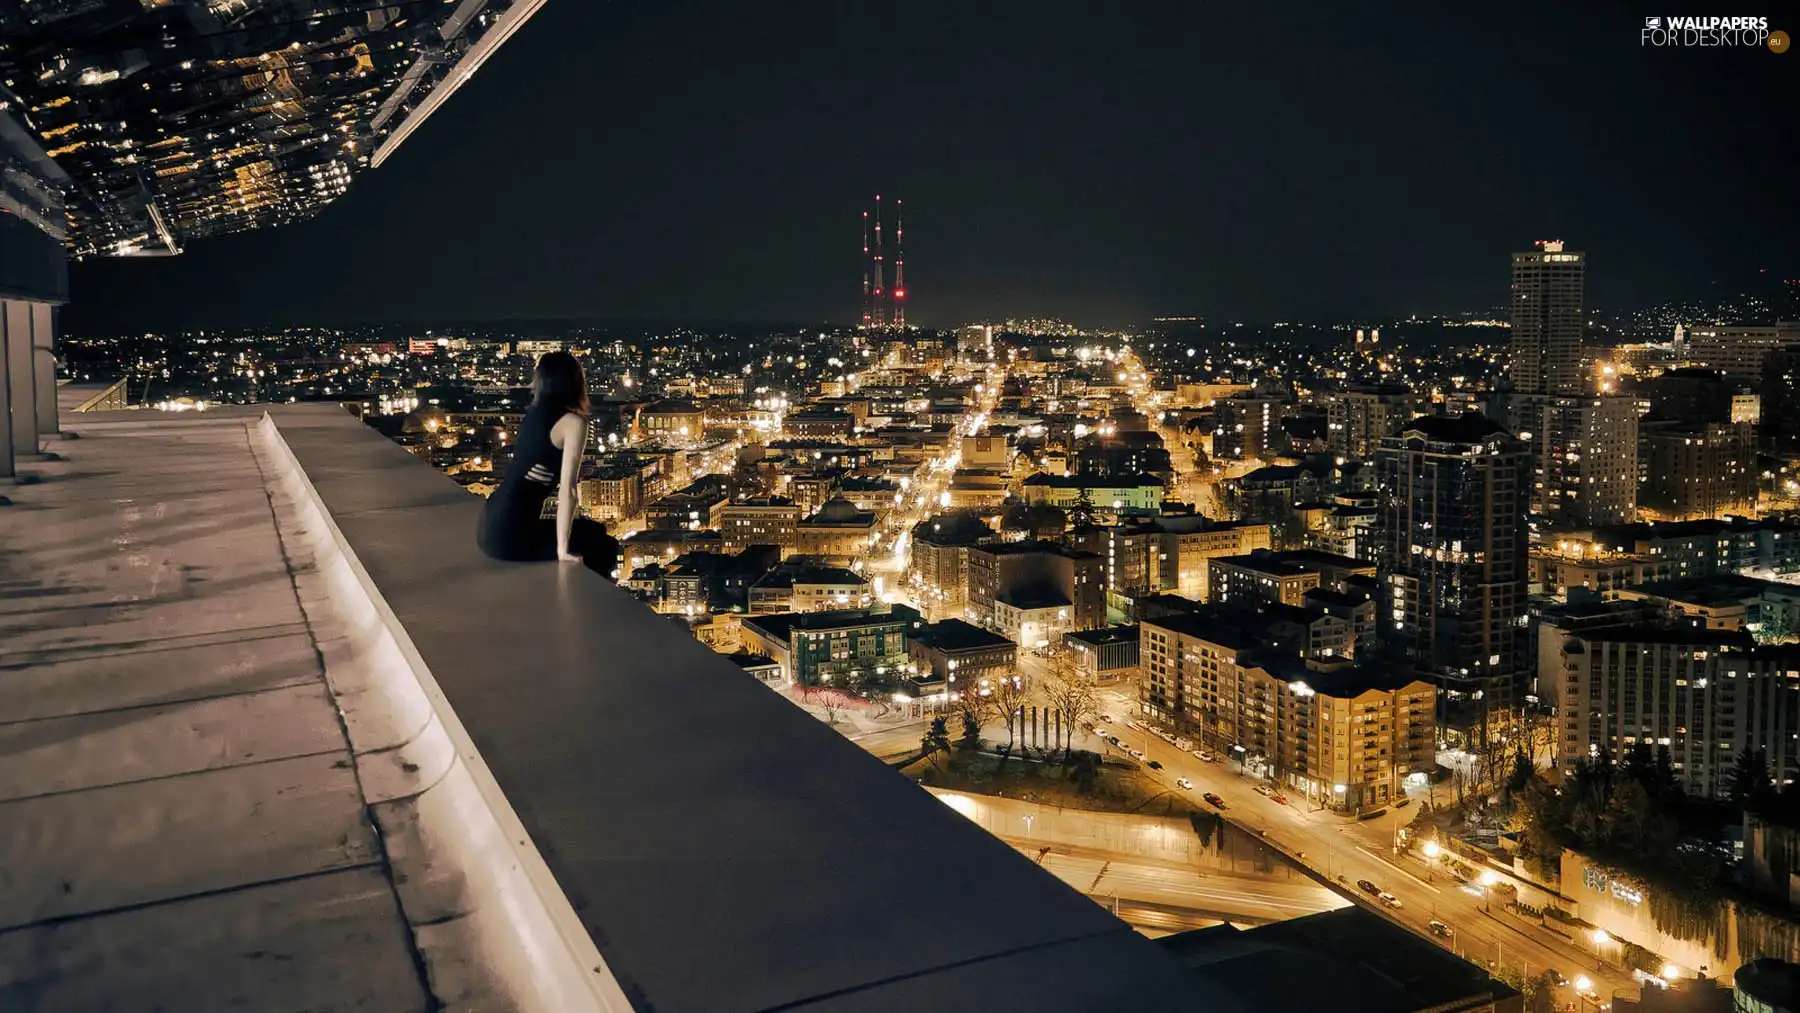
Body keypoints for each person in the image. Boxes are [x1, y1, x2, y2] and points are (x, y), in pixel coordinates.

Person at [476, 351, 618, 577]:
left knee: (592, 532)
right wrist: (562, 550)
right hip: (511, 536)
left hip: (488, 527)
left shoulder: (532, 415)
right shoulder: (572, 423)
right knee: (604, 545)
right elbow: (568, 490)